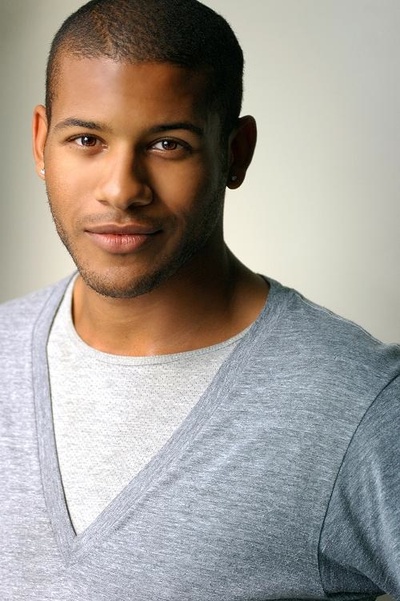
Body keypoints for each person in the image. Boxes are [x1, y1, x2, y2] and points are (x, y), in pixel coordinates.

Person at [0, 0, 399, 598]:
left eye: (168, 144)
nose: (121, 189)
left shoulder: (359, 404)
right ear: (40, 142)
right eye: (86, 139)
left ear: (235, 152)